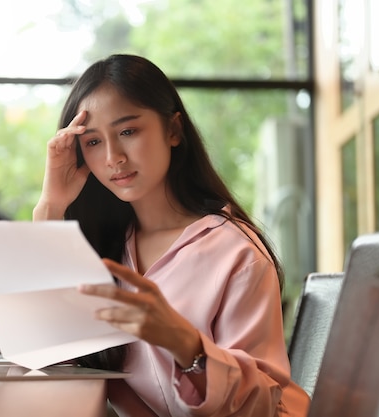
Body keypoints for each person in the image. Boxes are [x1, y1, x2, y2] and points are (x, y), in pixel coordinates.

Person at [33, 54, 310, 417]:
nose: (114, 156)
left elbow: (264, 404)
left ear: (173, 130)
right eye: (94, 142)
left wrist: (184, 343)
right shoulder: (102, 245)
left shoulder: (236, 253)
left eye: (128, 131)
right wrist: (50, 207)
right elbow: (39, 344)